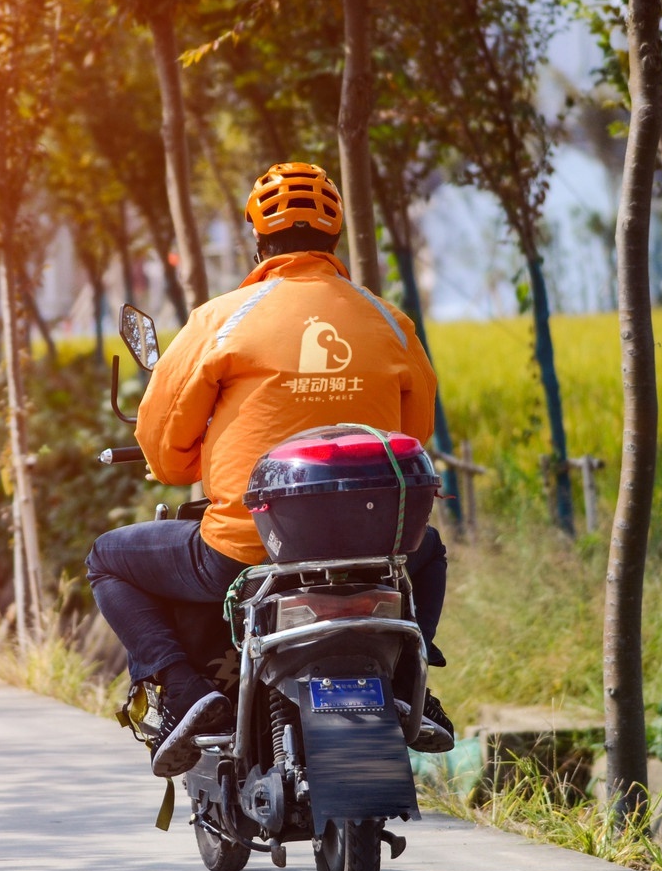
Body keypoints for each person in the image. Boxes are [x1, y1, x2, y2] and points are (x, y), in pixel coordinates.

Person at [87, 161, 455, 779]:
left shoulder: (220, 319)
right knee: (430, 551)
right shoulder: (392, 322)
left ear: (258, 239)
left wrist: (184, 461)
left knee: (107, 558)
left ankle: (186, 693)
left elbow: (164, 445)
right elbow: (410, 439)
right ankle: (406, 682)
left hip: (247, 553)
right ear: (334, 239)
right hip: (377, 553)